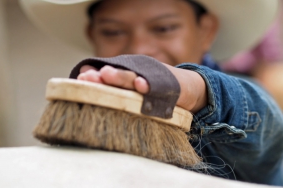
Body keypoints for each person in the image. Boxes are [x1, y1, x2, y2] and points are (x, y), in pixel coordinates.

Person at [20, 0, 283, 186]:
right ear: (92, 35)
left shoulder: (244, 102)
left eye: (164, 28)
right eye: (112, 32)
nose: (139, 48)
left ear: (206, 30)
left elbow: (263, 126)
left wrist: (193, 88)